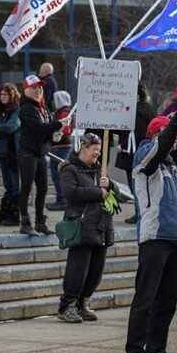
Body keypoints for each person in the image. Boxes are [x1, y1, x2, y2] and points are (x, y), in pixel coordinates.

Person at [124, 111, 177, 353]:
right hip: (154, 239)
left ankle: (156, 348)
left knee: (168, 299)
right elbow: (159, 147)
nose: (174, 142)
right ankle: (134, 352)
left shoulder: (173, 167)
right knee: (146, 297)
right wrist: (174, 124)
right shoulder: (145, 156)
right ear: (157, 135)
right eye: (169, 136)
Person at [57, 132, 120, 323]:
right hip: (82, 225)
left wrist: (110, 185)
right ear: (83, 148)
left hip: (101, 225)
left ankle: (83, 303)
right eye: (95, 150)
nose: (97, 154)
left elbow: (115, 192)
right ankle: (67, 305)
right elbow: (71, 193)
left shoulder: (100, 170)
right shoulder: (70, 169)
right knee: (78, 269)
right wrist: (98, 192)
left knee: (95, 271)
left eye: (99, 151)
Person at [16, 74, 66, 236]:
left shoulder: (43, 108)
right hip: (28, 153)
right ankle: (25, 222)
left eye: (40, 87)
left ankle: (40, 222)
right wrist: (56, 125)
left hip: (40, 153)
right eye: (34, 87)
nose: (38, 90)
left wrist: (55, 135)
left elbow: (45, 131)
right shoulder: (26, 108)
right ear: (26, 90)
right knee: (26, 187)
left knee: (43, 188)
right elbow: (37, 128)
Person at [0, 83, 21, 226]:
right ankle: (5, 214)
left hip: (13, 152)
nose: (3, 97)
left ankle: (14, 215)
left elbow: (11, 127)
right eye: (1, 94)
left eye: (6, 94)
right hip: (2, 152)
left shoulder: (17, 110)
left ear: (12, 95)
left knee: (14, 185)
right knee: (8, 185)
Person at [47, 90, 74, 212]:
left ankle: (62, 200)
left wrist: (55, 134)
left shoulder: (64, 113)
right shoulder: (62, 112)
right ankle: (61, 199)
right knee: (57, 174)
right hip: (59, 147)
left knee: (58, 174)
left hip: (60, 147)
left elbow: (65, 129)